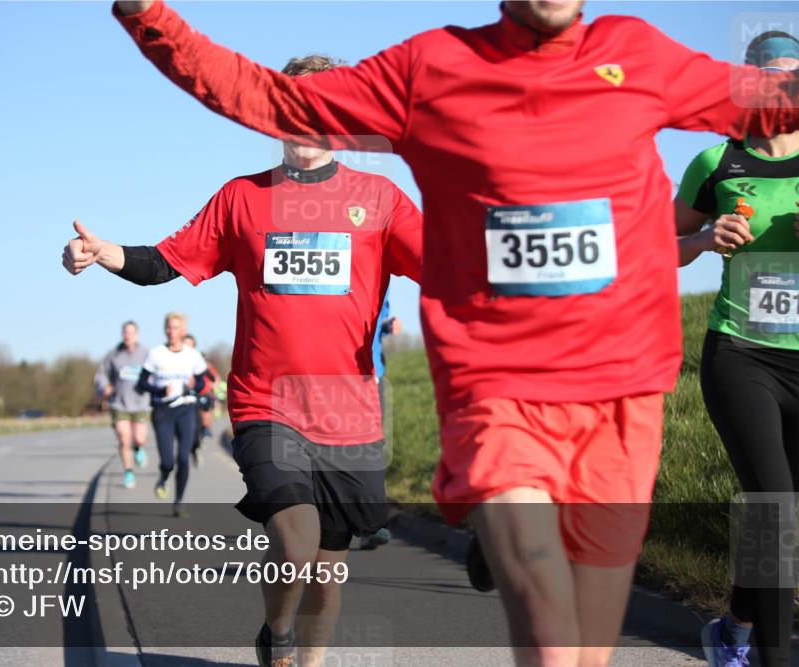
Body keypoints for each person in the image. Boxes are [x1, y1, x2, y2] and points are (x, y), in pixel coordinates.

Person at [109, 1, 799, 664]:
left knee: (586, 649)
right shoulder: (433, 68)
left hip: (621, 392)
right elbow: (265, 96)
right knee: (550, 631)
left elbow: (767, 98)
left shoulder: (639, 53)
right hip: (497, 388)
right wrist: (150, 14)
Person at [62, 54, 423, 667]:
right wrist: (105, 253)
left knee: (329, 572)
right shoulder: (242, 199)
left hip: (350, 412)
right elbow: (166, 263)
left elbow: (450, 266)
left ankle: (302, 657)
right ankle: (277, 632)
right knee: (296, 537)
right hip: (267, 403)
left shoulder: (380, 199)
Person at [675, 31, 799, 667]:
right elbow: (656, 245)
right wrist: (703, 239)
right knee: (776, 511)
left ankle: (736, 626)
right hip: (743, 353)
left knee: (777, 512)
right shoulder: (716, 162)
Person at [136, 312, 208, 517]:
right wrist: (159, 391)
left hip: (185, 409)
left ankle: (178, 502)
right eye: (168, 327)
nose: (171, 331)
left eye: (175, 328)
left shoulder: (192, 355)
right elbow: (142, 382)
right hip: (163, 411)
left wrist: (191, 389)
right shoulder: (156, 353)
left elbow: (202, 382)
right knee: (168, 461)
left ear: (183, 331)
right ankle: (163, 476)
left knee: (183, 458)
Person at [359, 289, 400, 551]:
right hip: (333, 374)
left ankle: (371, 524)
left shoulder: (383, 278)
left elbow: (376, 321)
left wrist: (387, 325)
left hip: (372, 375)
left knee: (373, 447)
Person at [94, 320, 151, 489]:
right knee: (124, 438)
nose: (128, 335)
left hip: (141, 403)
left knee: (139, 438)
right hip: (119, 403)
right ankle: (128, 472)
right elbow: (101, 375)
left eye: (131, 332)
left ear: (137, 335)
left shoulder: (146, 353)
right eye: (125, 332)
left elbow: (157, 371)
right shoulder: (113, 355)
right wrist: (104, 387)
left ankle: (139, 448)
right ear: (122, 335)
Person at [183, 333, 219, 467]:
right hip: (180, 399)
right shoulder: (173, 359)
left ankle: (196, 445)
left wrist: (211, 383)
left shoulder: (198, 360)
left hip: (198, 396)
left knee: (199, 423)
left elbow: (212, 376)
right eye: (184, 344)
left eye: (189, 345)